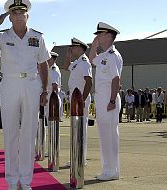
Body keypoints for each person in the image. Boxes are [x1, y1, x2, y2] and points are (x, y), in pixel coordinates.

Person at [0, 0, 50, 189]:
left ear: (28, 16)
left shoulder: (37, 37)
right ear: (9, 17)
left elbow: (43, 64)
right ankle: (12, 180)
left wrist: (45, 89)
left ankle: (25, 180)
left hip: (31, 84)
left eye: (22, 13)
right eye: (14, 13)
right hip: (10, 83)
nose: (18, 16)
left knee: (29, 133)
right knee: (10, 132)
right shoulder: (2, 36)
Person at [89, 22, 123, 181]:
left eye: (100, 35)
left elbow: (116, 79)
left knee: (110, 136)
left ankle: (112, 171)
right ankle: (108, 169)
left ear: (109, 36)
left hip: (109, 98)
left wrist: (111, 100)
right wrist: (93, 47)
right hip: (103, 99)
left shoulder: (113, 55)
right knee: (104, 135)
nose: (97, 37)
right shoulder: (104, 55)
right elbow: (92, 60)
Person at [63, 37, 92, 166]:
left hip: (81, 99)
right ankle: (76, 156)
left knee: (81, 129)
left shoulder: (84, 62)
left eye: (73, 47)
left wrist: (83, 99)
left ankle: (81, 158)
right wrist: (68, 55)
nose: (72, 49)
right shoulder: (76, 63)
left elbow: (89, 82)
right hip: (76, 99)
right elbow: (65, 67)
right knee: (75, 128)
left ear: (80, 48)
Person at [45, 51, 61, 120]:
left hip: (51, 99)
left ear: (52, 59)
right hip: (49, 98)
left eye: (48, 58)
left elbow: (55, 87)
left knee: (51, 122)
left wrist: (53, 101)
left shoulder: (53, 70)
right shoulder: (49, 69)